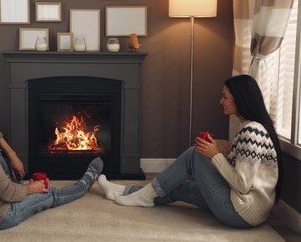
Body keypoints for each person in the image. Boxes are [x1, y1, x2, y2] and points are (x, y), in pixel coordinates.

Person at [98, 74, 282, 228]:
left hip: (239, 212)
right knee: (177, 185)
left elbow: (242, 184)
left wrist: (215, 155)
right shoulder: (253, 128)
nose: (221, 101)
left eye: (225, 97)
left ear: (240, 99)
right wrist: (217, 150)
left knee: (194, 154)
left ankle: (142, 197)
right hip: (247, 211)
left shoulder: (252, 131)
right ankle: (123, 191)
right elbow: (240, 170)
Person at [0, 78, 103, 232]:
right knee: (48, 194)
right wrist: (30, 189)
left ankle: (18, 185)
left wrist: (11, 154)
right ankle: (84, 183)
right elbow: (7, 194)